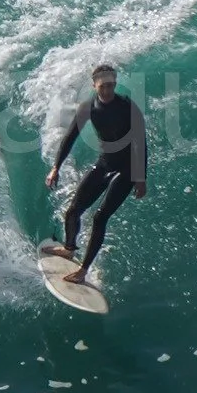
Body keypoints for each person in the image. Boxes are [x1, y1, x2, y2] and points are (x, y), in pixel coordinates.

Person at [42, 63, 149, 286]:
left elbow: (141, 143)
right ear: (94, 86)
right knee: (73, 210)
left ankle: (83, 270)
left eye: (111, 85)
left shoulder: (128, 107)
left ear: (115, 84)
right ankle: (69, 249)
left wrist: (141, 178)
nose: (107, 91)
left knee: (100, 217)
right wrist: (56, 167)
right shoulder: (88, 108)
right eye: (103, 86)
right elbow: (69, 138)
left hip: (127, 169)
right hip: (104, 164)